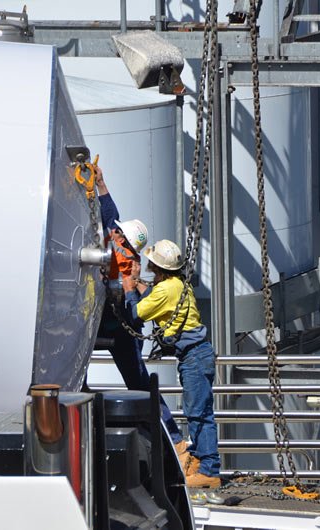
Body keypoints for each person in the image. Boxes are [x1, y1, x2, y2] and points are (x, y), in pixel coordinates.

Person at [94, 166, 189, 468]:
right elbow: (110, 212)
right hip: (100, 325)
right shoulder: (114, 241)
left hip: (121, 331)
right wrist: (101, 183)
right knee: (79, 382)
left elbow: (135, 320)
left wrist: (130, 288)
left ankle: (172, 440)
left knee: (139, 384)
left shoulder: (128, 265)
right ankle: (171, 439)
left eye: (119, 232)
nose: (114, 231)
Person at [122, 239, 221, 489]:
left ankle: (209, 470)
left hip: (194, 357)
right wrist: (141, 285)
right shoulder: (177, 285)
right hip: (198, 355)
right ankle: (199, 463)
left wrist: (128, 289)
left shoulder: (166, 290)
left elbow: (136, 313)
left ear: (157, 266)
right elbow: (157, 296)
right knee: (198, 412)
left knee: (199, 414)